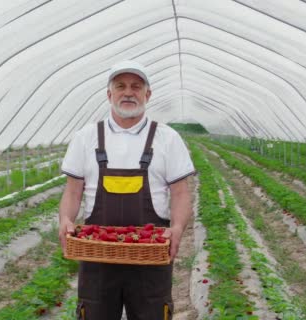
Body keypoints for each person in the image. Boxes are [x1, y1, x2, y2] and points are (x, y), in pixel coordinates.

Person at [58, 60, 195, 320]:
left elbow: (180, 193)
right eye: (120, 86)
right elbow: (73, 191)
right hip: (97, 254)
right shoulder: (86, 137)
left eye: (136, 86)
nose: (128, 92)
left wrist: (177, 229)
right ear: (110, 95)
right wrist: (65, 220)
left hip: (151, 252)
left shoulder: (167, 138)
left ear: (148, 94)